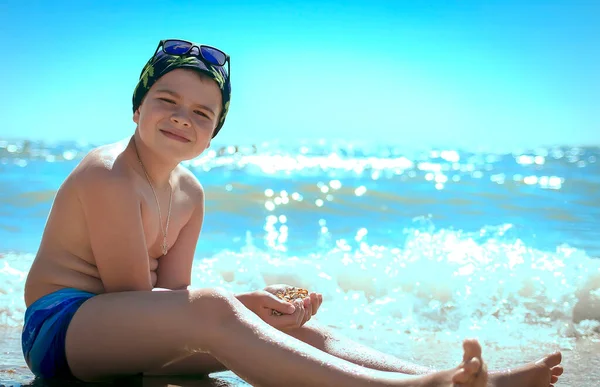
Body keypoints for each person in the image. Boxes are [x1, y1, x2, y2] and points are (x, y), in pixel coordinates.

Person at [21, 38, 560, 387]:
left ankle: (458, 378)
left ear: (212, 136)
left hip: (121, 332)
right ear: (137, 107)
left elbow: (173, 301)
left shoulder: (191, 193)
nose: (182, 117)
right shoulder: (108, 173)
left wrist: (248, 309)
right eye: (167, 100)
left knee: (285, 333)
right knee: (222, 310)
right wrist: (239, 303)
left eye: (202, 113)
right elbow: (134, 298)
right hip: (61, 333)